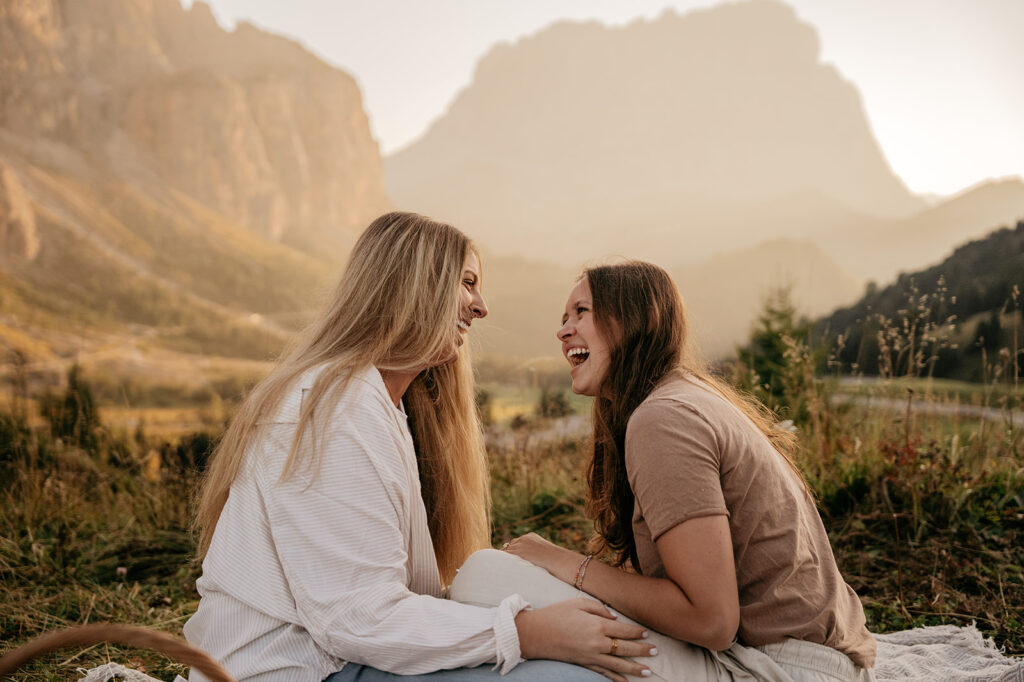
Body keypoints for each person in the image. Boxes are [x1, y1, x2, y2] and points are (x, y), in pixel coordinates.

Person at [183, 213, 655, 682]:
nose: (481, 306)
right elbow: (357, 618)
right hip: (296, 669)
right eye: (467, 283)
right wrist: (529, 632)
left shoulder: (379, 403)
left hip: (336, 658)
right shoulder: (334, 412)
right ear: (413, 285)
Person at [502, 261, 876, 681]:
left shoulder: (662, 419)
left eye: (582, 312)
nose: (564, 330)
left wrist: (565, 563)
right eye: (563, 318)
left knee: (487, 580)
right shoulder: (681, 396)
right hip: (809, 658)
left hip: (782, 668)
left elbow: (711, 622)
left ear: (639, 319)